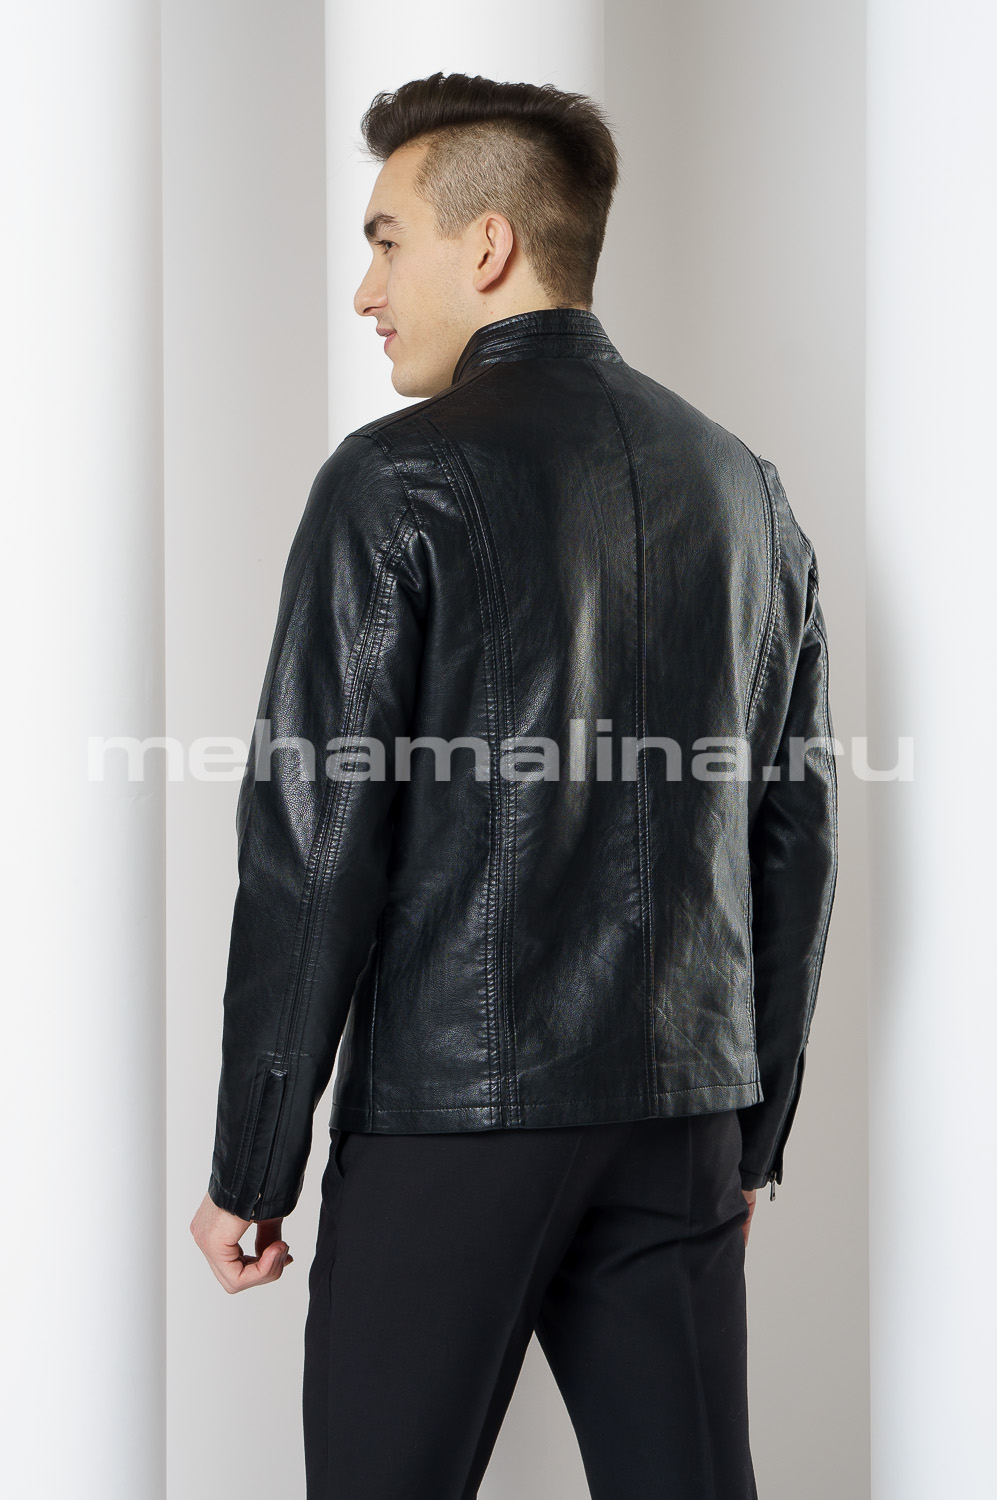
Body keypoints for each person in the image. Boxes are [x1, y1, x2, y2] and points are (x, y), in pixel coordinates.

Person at [190, 70, 838, 1500]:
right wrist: (751, 1136)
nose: (366, 292)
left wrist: (253, 1160)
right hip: (679, 1116)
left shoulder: (396, 480)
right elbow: (795, 839)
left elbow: (314, 842)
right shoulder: (747, 490)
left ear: (487, 245)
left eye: (385, 242)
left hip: (454, 1114)